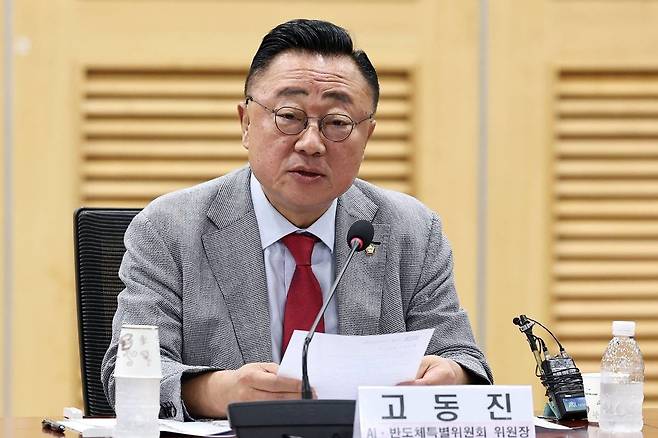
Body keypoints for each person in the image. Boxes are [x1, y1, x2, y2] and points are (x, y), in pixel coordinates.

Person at [101, 18, 493, 421]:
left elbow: (462, 358)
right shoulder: (168, 229)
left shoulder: (413, 232)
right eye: (289, 116)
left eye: (337, 123)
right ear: (246, 123)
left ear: (367, 137)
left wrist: (451, 376)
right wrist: (219, 393)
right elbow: (127, 374)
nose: (311, 143)